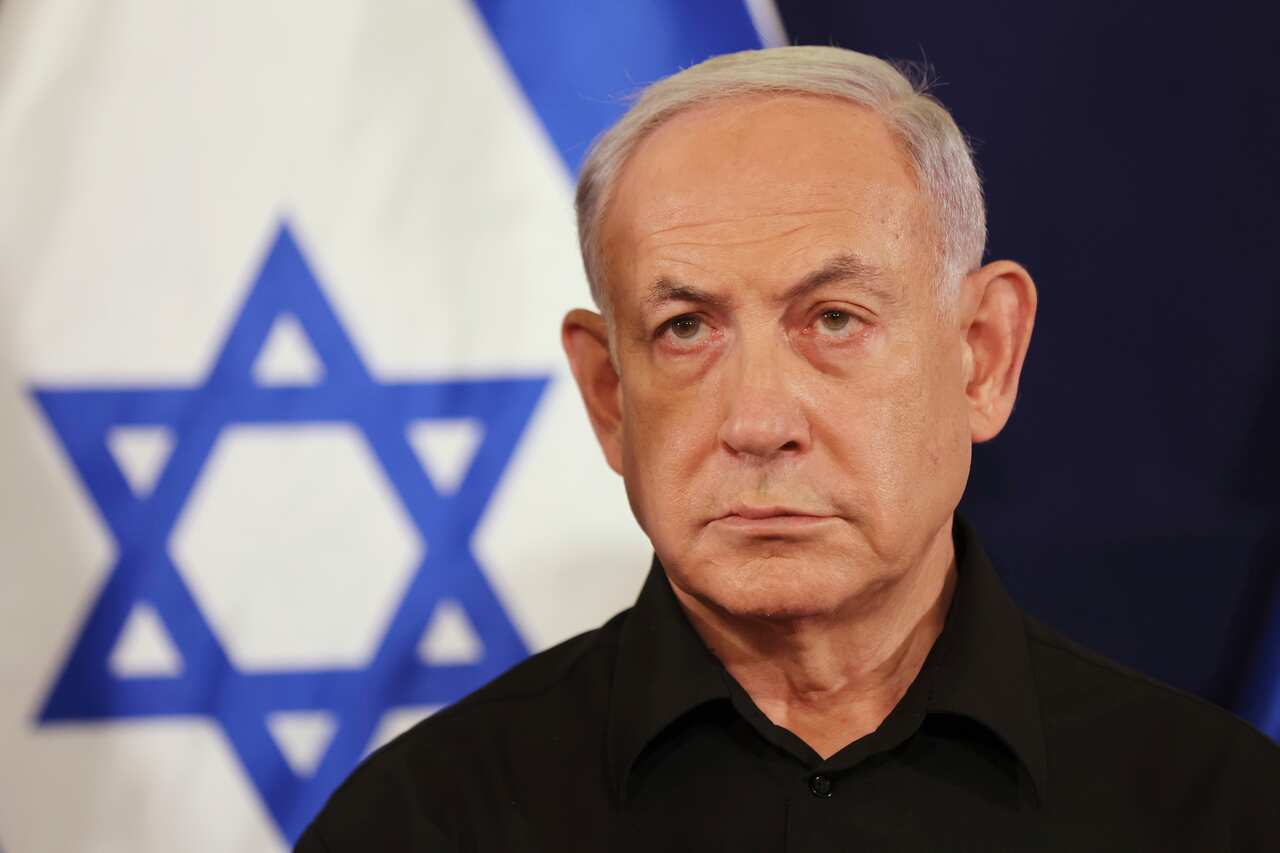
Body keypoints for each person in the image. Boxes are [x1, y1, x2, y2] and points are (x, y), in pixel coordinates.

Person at [296, 46, 1278, 851]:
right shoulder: (426, 822)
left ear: (980, 356)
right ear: (607, 394)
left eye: (834, 319)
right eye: (684, 328)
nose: (757, 420)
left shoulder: (1212, 811)